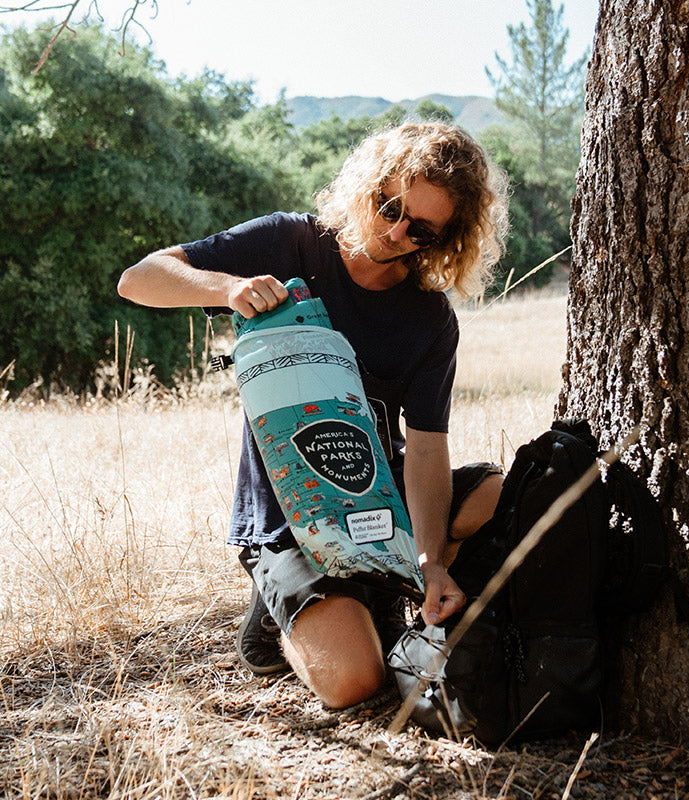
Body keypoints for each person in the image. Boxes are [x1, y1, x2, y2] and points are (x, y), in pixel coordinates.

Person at [118, 121, 510, 709]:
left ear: (444, 239)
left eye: (420, 230)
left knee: (495, 494)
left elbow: (427, 446)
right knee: (356, 682)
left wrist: (430, 561)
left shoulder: (430, 320)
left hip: (380, 500)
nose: (395, 232)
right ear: (369, 186)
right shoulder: (290, 241)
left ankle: (387, 586)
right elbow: (138, 280)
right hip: (291, 509)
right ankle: (278, 615)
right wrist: (227, 289)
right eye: (390, 207)